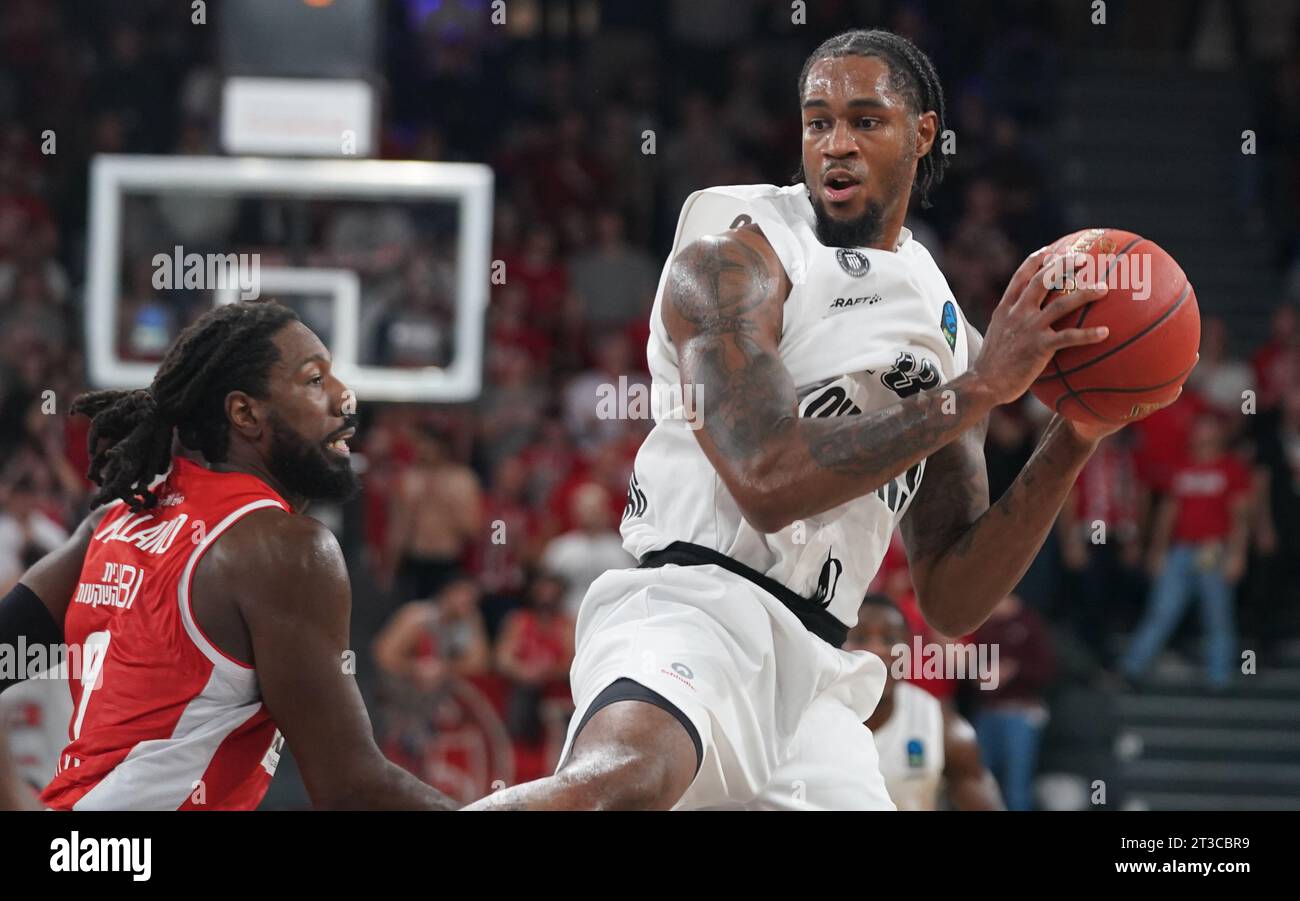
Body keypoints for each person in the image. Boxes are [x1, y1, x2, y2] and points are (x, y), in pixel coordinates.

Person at [470, 28, 1170, 811]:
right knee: (619, 784)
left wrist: (1075, 434)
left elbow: (952, 596)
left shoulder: (943, 329)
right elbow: (766, 476)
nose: (835, 144)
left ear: (922, 134)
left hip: (817, 670)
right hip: (692, 608)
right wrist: (974, 392)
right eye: (817, 121)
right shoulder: (735, 258)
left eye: (865, 121)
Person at [0, 301, 454, 810]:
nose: (344, 398)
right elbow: (351, 788)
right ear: (244, 413)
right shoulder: (284, 550)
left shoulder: (111, 523)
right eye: (313, 380)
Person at [1120, 412, 1251, 691]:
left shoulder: (1231, 468)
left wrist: (1237, 555)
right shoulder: (1181, 466)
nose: (1200, 432)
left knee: (1216, 613)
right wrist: (1157, 550)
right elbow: (1168, 512)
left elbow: (1240, 515)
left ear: (1219, 432)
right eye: (1198, 426)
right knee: (1162, 609)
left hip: (1212, 549)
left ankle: (1219, 677)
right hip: (1180, 549)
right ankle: (1132, 668)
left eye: (1207, 426)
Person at [847, 594, 1002, 810]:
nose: (876, 650)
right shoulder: (807, 717)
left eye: (890, 639)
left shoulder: (942, 726)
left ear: (909, 651)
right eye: (860, 638)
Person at [968, 593, 1057, 811]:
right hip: (987, 711)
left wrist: (1014, 669)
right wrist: (978, 674)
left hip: (1020, 713)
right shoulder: (985, 625)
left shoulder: (1029, 622)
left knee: (1016, 787)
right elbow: (971, 666)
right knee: (979, 782)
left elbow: (1047, 669)